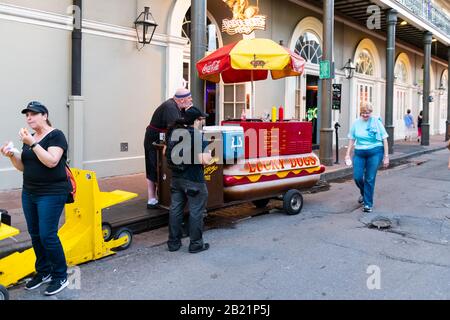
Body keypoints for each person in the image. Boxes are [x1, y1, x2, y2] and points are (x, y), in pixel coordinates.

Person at [0, 101, 70, 296]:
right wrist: (11, 155)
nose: (29, 118)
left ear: (45, 115)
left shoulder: (56, 135)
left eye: (33, 114)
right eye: (27, 115)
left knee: (48, 235)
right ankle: (44, 272)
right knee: (36, 234)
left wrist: (33, 144)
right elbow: (23, 166)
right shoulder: (29, 138)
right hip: (30, 192)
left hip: (52, 193)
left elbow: (52, 161)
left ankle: (60, 276)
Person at [166, 106, 212, 253]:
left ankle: (173, 243)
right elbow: (204, 160)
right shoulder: (197, 135)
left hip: (177, 179)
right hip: (194, 180)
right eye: (201, 119)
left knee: (175, 210)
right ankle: (196, 244)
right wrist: (210, 152)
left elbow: (164, 151)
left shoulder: (175, 132)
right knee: (196, 212)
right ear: (196, 121)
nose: (202, 122)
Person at [144, 88, 193, 209]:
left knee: (156, 168)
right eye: (189, 99)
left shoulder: (176, 106)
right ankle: (152, 198)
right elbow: (175, 128)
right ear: (182, 100)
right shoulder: (170, 107)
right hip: (154, 140)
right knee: (154, 167)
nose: (191, 101)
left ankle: (158, 197)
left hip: (159, 138)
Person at [345, 103, 389, 213]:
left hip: (375, 151)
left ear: (371, 113)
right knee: (357, 177)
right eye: (363, 113)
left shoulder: (376, 122)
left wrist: (386, 157)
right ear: (360, 112)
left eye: (367, 113)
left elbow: (384, 139)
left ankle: (368, 204)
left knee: (369, 178)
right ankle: (364, 193)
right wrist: (347, 154)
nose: (365, 115)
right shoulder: (356, 123)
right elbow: (351, 139)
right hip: (359, 152)